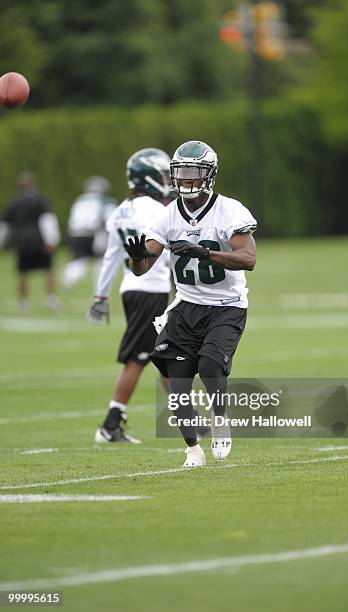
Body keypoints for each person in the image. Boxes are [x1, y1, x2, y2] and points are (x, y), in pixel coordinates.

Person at [124, 140, 257, 467]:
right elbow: (143, 267)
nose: (186, 180)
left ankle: (221, 419)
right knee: (177, 381)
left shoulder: (230, 210)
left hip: (227, 305)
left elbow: (249, 259)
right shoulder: (168, 214)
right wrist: (137, 260)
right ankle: (192, 450)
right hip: (187, 305)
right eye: (181, 173)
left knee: (211, 366)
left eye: (193, 173)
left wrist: (207, 253)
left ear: (208, 175)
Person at [86, 149, 172, 443]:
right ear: (148, 178)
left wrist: (100, 296)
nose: (167, 181)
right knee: (139, 357)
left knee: (166, 353)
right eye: (162, 175)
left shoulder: (120, 209)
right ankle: (110, 424)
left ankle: (187, 416)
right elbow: (171, 247)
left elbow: (110, 257)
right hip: (150, 288)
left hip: (131, 288)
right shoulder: (158, 211)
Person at [0, 171, 60, 310]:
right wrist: (51, 240)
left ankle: (24, 302)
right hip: (40, 240)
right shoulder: (41, 199)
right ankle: (50, 299)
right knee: (48, 269)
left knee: (23, 272)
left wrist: (1, 244)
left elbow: (5, 226)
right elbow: (48, 220)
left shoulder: (14, 201)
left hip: (22, 242)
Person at [62, 176, 117, 289]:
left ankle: (68, 280)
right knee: (100, 260)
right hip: (95, 234)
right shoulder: (105, 201)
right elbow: (110, 221)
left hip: (76, 234)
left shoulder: (79, 201)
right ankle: (100, 285)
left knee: (79, 261)